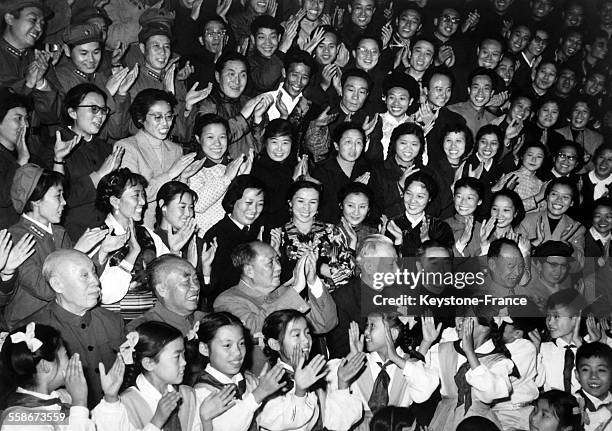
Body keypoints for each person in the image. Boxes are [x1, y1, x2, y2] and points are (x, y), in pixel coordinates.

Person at [17, 249, 124, 408]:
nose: (96, 281)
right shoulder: (32, 332)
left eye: (94, 273)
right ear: (57, 284)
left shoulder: (113, 320)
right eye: (84, 276)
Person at [214, 241, 338, 370]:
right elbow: (253, 329)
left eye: (277, 260)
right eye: (270, 263)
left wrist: (312, 280)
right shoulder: (227, 300)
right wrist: (296, 288)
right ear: (249, 270)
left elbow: (325, 324)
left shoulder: (285, 293)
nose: (278, 267)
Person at [259, 309, 364, 430]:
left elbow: (334, 423)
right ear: (275, 344)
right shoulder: (270, 385)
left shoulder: (314, 376)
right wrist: (300, 391)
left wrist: (343, 384)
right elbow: (288, 422)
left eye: (307, 333)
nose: (306, 340)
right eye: (297, 335)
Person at [91, 321, 207, 430]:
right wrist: (157, 421)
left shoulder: (188, 395)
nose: (184, 362)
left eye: (184, 354)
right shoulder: (124, 405)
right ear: (149, 363)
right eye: (177, 357)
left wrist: (207, 419)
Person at [420, 304, 515, 431]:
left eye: (465, 317)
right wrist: (425, 343)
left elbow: (490, 393)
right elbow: (421, 388)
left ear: (485, 328)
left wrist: (470, 352)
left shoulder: (499, 361)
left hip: (479, 424)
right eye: (458, 316)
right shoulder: (443, 350)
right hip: (444, 420)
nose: (458, 321)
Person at [336, 314, 439, 430]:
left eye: (372, 326)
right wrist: (352, 356)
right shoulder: (360, 362)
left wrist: (396, 358)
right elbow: (337, 397)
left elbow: (424, 389)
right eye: (366, 326)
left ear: (393, 334)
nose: (366, 332)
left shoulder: (408, 365)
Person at [115, 88, 200, 228]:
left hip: (169, 228)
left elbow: (179, 198)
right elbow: (133, 197)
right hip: (139, 226)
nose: (166, 124)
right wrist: (171, 174)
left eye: (169, 116)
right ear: (140, 118)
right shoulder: (127, 148)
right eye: (158, 117)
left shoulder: (175, 149)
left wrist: (184, 178)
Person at [192, 311, 288, 431]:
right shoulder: (203, 392)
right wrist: (258, 395)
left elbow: (275, 421)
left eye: (241, 343)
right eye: (227, 345)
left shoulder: (245, 381)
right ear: (205, 349)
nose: (237, 352)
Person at [0, 323, 96, 430]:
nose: (70, 360)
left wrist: (110, 399)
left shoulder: (63, 396)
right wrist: (79, 403)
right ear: (45, 366)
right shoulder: (20, 422)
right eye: (65, 355)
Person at [278, 179, 355, 290]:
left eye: (313, 202)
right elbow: (271, 281)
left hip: (329, 299)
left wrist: (317, 265)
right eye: (301, 201)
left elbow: (347, 275)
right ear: (290, 202)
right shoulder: (278, 235)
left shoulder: (331, 232)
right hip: (289, 301)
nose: (306, 207)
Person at [203, 174, 265, 304]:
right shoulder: (216, 235)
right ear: (233, 201)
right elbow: (216, 285)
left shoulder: (261, 230)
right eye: (248, 203)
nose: (254, 210)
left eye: (260, 204)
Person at [189, 114, 252, 235]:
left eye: (222, 137)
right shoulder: (193, 168)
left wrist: (244, 177)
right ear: (198, 138)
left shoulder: (233, 165)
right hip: (206, 239)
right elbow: (198, 204)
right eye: (210, 137)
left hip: (233, 237)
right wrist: (227, 178)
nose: (217, 143)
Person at [127, 255, 209, 336]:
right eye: (185, 282)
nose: (195, 287)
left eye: (195, 279)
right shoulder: (142, 332)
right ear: (162, 289)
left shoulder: (205, 321)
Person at [520, 177, 586, 272]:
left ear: (571, 203)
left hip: (558, 283)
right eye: (554, 194)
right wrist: (535, 243)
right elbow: (515, 259)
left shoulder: (577, 229)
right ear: (546, 197)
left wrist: (566, 244)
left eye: (565, 197)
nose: (559, 200)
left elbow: (578, 267)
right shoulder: (527, 220)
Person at [385, 171, 454, 257]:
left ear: (429, 198)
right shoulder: (392, 226)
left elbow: (442, 264)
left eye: (420, 196)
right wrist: (398, 242)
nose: (412, 200)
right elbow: (385, 265)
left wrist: (426, 241)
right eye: (409, 194)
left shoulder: (440, 227)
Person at [312, 122, 369, 223]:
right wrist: (352, 188)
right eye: (348, 142)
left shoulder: (367, 169)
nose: (353, 148)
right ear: (336, 145)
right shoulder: (321, 170)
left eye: (358, 143)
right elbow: (321, 209)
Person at [251, 118, 302, 230]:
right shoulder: (257, 169)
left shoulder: (293, 164)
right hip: (267, 229)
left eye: (285, 142)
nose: (279, 148)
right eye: (274, 142)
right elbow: (269, 205)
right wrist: (293, 180)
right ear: (266, 142)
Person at [536, 289, 587, 394]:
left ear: (575, 318)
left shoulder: (589, 348)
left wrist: (579, 344)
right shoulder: (543, 349)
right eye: (548, 316)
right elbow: (537, 383)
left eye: (556, 316)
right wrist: (535, 352)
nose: (550, 322)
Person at [447, 68, 498, 138]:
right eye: (476, 87)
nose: (480, 93)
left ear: (491, 93)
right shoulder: (451, 111)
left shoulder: (493, 121)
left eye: (486, 88)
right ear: (469, 90)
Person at [574, 342, 612, 431]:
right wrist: (608, 410)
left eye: (601, 370)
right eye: (586, 370)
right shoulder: (571, 403)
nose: (593, 376)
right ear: (577, 375)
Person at [333, 182, 378, 253]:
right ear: (341, 205)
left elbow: (384, 264)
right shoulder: (330, 233)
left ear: (369, 208)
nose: (356, 212)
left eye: (362, 206)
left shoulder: (372, 234)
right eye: (350, 205)